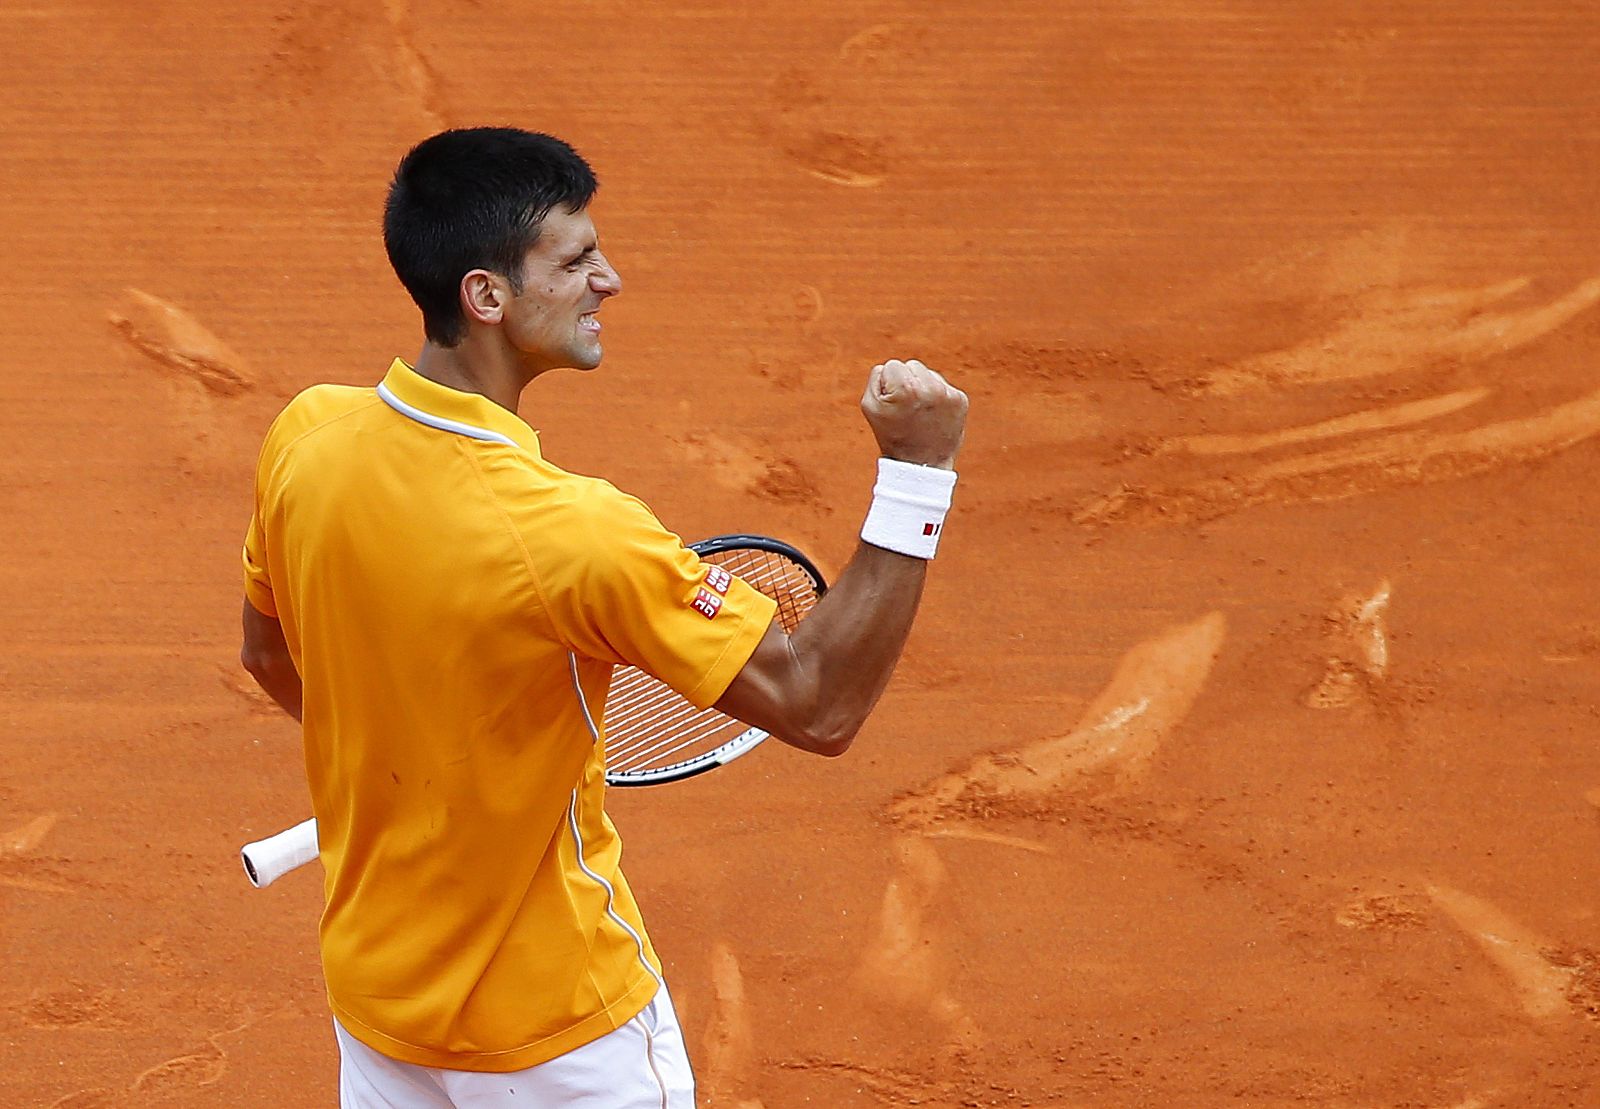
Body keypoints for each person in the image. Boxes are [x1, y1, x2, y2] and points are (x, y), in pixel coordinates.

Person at [239, 126, 967, 1108]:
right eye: (577, 261)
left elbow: (271, 656)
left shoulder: (307, 436)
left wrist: (421, 763)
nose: (609, 280)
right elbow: (818, 700)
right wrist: (915, 475)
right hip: (559, 1039)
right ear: (486, 296)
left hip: (379, 1015)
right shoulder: (573, 533)